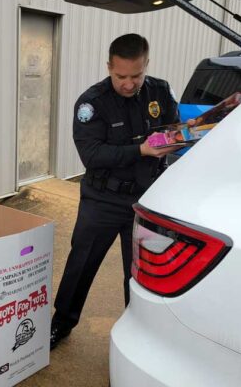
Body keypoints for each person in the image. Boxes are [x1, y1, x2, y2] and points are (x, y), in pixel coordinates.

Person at [50, 34, 180, 350]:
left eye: (136, 75)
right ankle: (60, 325)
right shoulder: (92, 103)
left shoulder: (159, 92)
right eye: (120, 76)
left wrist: (173, 140)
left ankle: (136, 336)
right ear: (109, 67)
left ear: (146, 65)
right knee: (81, 263)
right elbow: (92, 155)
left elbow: (172, 131)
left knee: (139, 274)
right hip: (103, 199)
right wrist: (142, 150)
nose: (128, 82)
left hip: (146, 200)